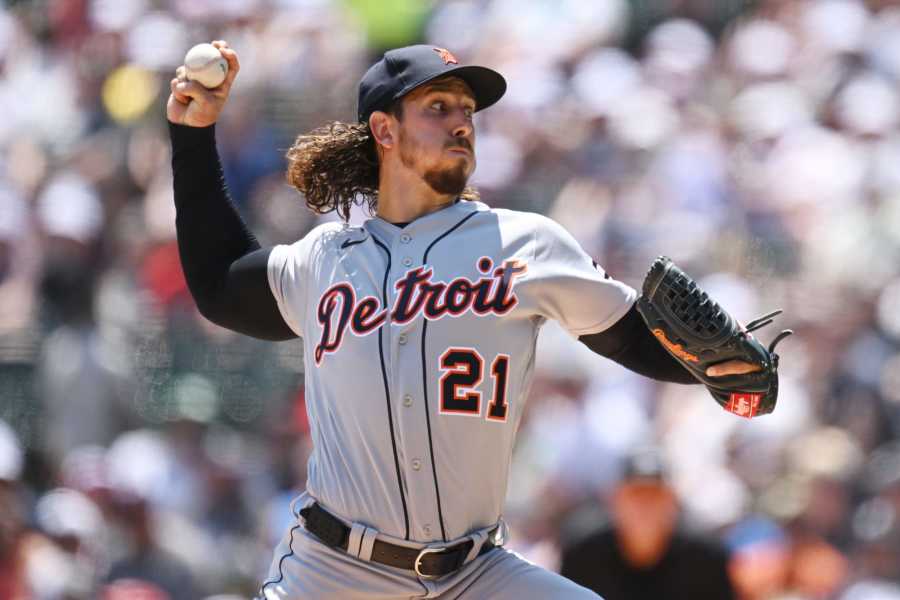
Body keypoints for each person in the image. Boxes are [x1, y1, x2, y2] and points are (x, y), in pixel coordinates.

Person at [166, 40, 761, 599]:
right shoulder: (325, 259)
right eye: (437, 105)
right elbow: (221, 285)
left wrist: (720, 376)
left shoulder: (525, 243)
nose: (461, 122)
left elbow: (630, 334)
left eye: (468, 110)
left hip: (475, 574)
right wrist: (192, 137)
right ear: (384, 130)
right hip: (334, 570)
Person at [559, 448, 735, 600]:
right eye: (636, 495)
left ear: (672, 500)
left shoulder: (706, 559)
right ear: (615, 499)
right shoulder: (583, 554)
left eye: (655, 495)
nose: (645, 506)